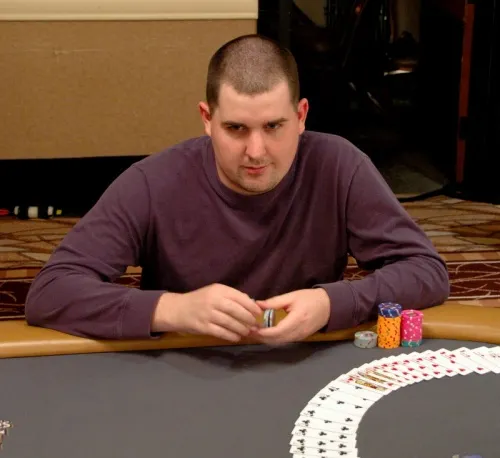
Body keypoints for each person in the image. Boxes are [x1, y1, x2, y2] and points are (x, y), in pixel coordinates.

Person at [24, 34, 450, 344]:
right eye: (235, 128)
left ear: (301, 116)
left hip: (305, 360)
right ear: (207, 119)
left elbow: (426, 271)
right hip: (187, 363)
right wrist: (174, 309)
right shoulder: (153, 181)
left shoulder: (340, 165)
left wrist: (331, 303)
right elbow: (50, 292)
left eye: (274, 126)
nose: (256, 151)